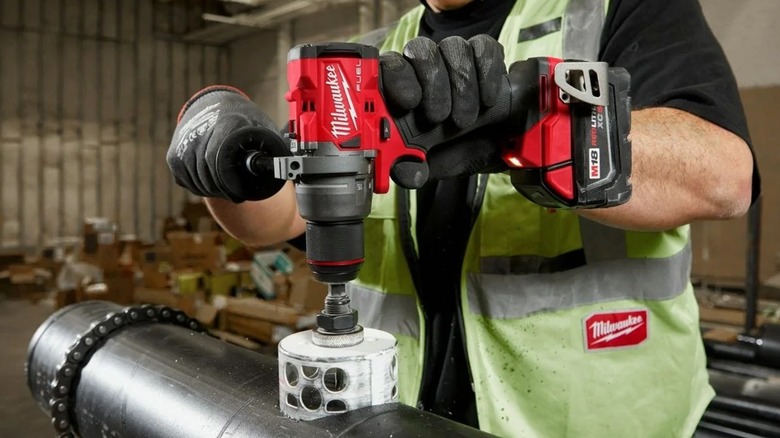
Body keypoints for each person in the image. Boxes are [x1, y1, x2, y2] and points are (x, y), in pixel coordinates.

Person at [167, 0, 760, 436]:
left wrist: (535, 125)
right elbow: (276, 217)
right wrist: (223, 152)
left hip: (598, 422)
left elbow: (722, 175)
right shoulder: (373, 52)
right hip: (408, 417)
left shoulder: (613, 10)